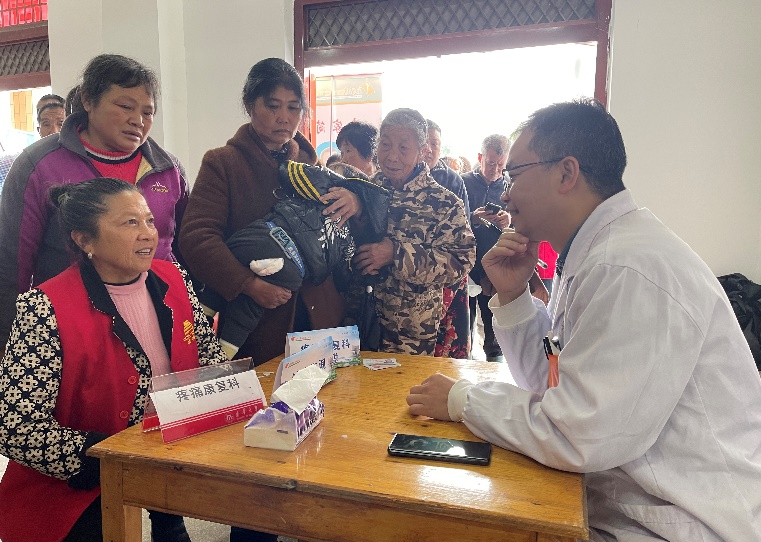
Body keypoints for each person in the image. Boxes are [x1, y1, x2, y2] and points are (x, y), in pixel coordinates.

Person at [407, 98, 761, 542]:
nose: (506, 196)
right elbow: (553, 377)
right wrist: (514, 296)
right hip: (630, 512)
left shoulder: (628, 267)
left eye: (515, 175)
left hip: (691, 540)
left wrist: (462, 400)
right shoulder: (591, 256)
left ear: (566, 173)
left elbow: (576, 432)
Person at [0, 179, 224, 542]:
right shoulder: (45, 307)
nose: (148, 233)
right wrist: (105, 458)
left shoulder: (173, 278)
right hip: (91, 470)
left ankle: (170, 528)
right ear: (84, 239)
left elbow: (208, 357)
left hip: (170, 448)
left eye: (149, 220)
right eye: (129, 223)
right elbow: (14, 425)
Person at [0, 54, 189, 354]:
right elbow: (13, 263)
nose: (138, 121)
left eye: (148, 112)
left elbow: (182, 249)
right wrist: (9, 342)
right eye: (125, 106)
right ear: (88, 100)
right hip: (71, 328)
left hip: (157, 319)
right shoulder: (39, 165)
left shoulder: (167, 169)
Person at [180, 58, 359, 369]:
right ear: (250, 106)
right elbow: (197, 237)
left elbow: (343, 230)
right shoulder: (223, 163)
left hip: (317, 319)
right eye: (273, 106)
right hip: (257, 322)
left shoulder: (313, 167)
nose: (284, 118)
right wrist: (247, 284)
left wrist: (354, 202)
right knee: (263, 397)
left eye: (293, 108)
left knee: (324, 396)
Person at [352, 108, 475, 355]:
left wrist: (396, 255)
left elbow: (461, 261)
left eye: (403, 148)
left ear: (422, 151)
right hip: (360, 322)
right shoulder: (365, 190)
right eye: (385, 145)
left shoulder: (444, 203)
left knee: (406, 382)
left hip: (410, 335)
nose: (392, 156)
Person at [461, 134, 513, 361]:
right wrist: (472, 217)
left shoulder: (511, 185)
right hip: (466, 266)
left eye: (501, 166)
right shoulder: (463, 182)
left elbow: (523, 224)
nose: (496, 170)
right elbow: (450, 221)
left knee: (495, 332)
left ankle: (495, 368)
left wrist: (509, 220)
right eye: (491, 163)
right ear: (480, 157)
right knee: (464, 327)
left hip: (496, 267)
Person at [423, 119, 471, 359]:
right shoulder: (396, 178)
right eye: (426, 143)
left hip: (448, 273)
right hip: (415, 276)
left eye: (436, 144)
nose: (430, 149)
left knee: (448, 346)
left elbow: (465, 234)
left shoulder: (452, 180)